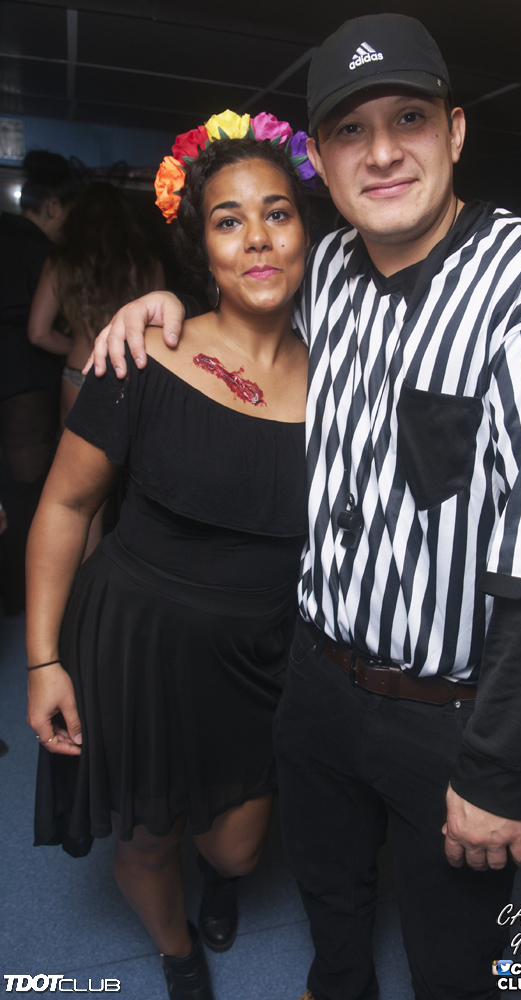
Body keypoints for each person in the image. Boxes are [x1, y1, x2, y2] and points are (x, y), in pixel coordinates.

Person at [90, 15, 521, 1000]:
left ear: (454, 131)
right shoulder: (329, 269)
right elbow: (240, 316)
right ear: (324, 165)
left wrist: (497, 771)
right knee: (331, 899)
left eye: (407, 118)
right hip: (315, 679)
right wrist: (154, 310)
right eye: (349, 130)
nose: (380, 152)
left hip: (449, 715)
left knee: (451, 960)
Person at [25, 113, 311, 1000]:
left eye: (276, 213)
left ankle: (221, 884)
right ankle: (177, 949)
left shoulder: (345, 377)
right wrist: (41, 660)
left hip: (260, 655)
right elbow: (65, 506)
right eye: (229, 220)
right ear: (201, 245)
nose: (256, 238)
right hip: (135, 643)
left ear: (305, 232)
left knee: (240, 846)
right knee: (148, 840)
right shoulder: (143, 352)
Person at [27, 181, 166, 556]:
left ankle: (82, 584)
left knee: (78, 500)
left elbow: (38, 333)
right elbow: (159, 335)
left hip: (79, 376)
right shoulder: (146, 263)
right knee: (139, 491)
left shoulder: (62, 262)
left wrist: (80, 347)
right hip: (132, 377)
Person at [0, 150, 79, 615]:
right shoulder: (45, 253)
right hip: (24, 382)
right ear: (51, 207)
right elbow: (40, 329)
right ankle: (20, 599)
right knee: (27, 492)